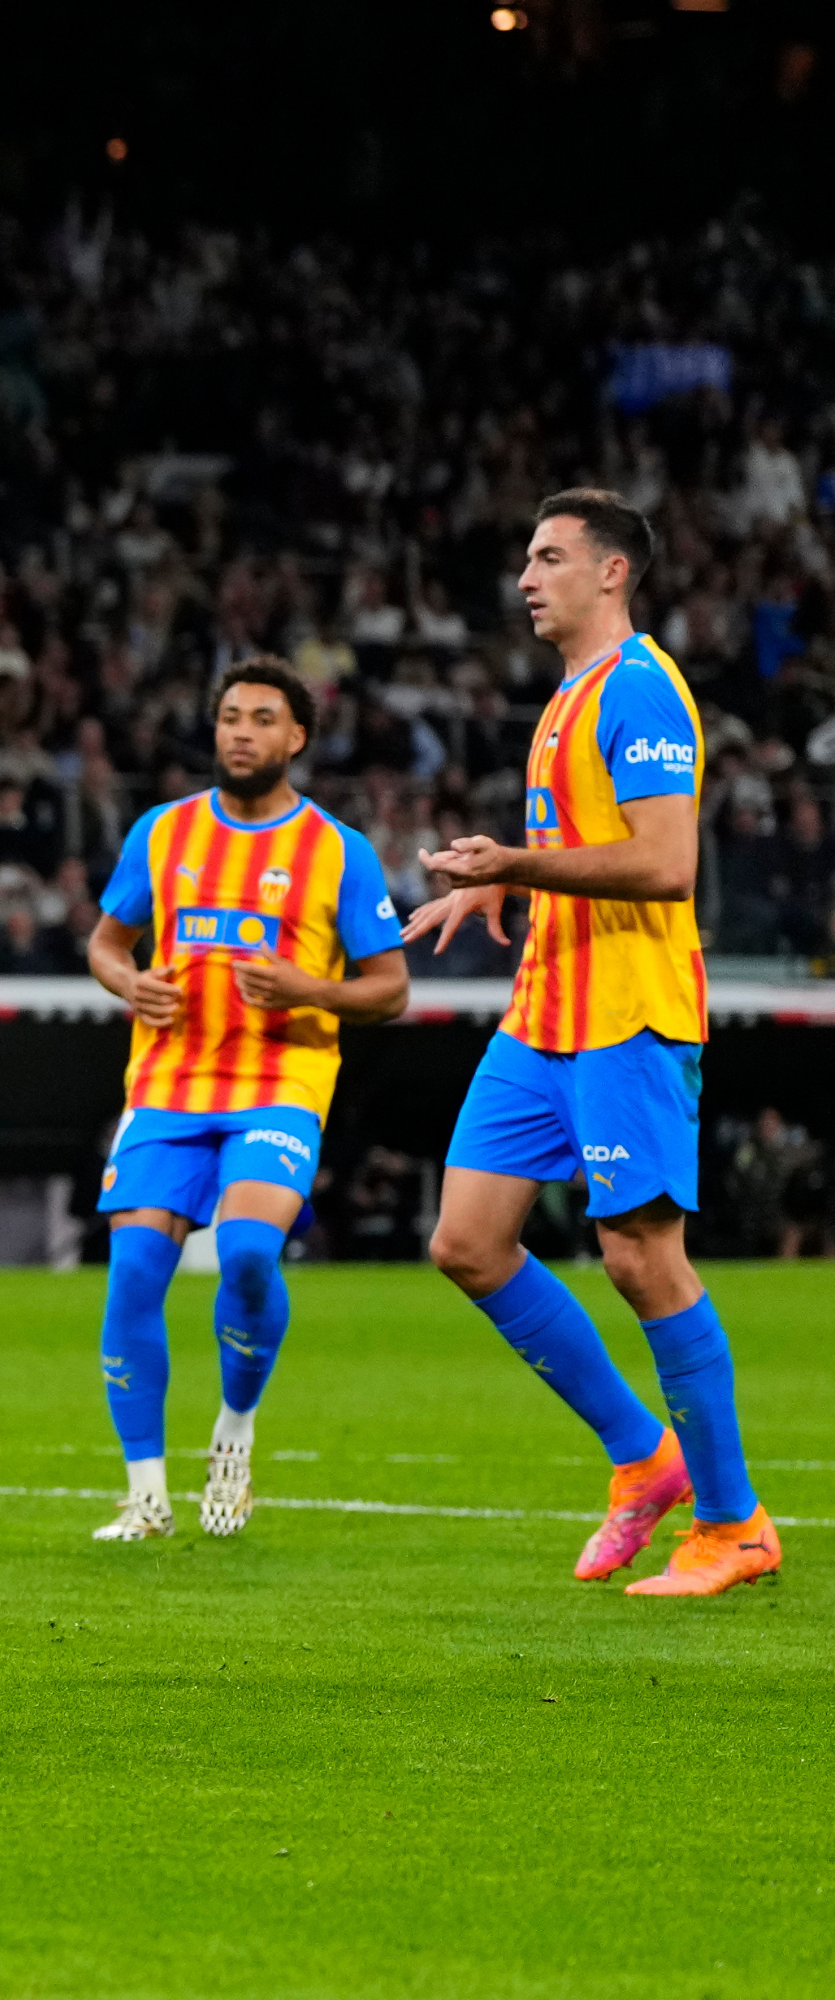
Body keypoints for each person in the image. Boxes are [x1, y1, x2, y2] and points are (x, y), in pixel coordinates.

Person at [407, 489, 779, 1597]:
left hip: (629, 1007)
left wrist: (511, 865)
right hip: (547, 1005)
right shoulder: (567, 700)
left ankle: (734, 1522)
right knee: (467, 1239)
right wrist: (505, 880)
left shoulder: (643, 689)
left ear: (612, 572)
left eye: (551, 555)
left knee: (640, 1258)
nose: (528, 576)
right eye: (526, 556)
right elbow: (587, 844)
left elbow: (664, 862)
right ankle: (643, 1456)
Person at [81, 658, 409, 1541]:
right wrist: (130, 983)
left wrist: (311, 986)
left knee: (252, 1255)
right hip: (167, 1084)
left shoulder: (337, 849)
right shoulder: (163, 831)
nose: (241, 732)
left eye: (263, 718)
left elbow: (391, 989)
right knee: (135, 1278)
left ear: (296, 738)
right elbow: (107, 943)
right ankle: (145, 1497)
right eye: (230, 715)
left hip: (280, 1085)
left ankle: (234, 1432)